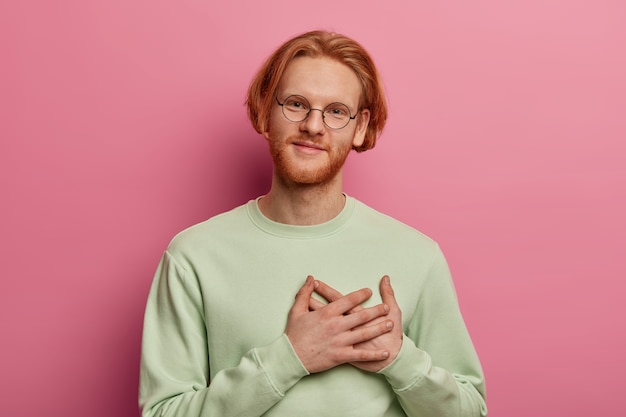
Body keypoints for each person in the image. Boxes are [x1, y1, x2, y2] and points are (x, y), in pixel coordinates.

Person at [139, 30, 487, 417]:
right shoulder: (193, 256)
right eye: (296, 104)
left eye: (336, 111)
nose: (313, 126)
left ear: (359, 127)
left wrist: (400, 358)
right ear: (264, 113)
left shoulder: (418, 256)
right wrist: (289, 358)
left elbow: (471, 411)